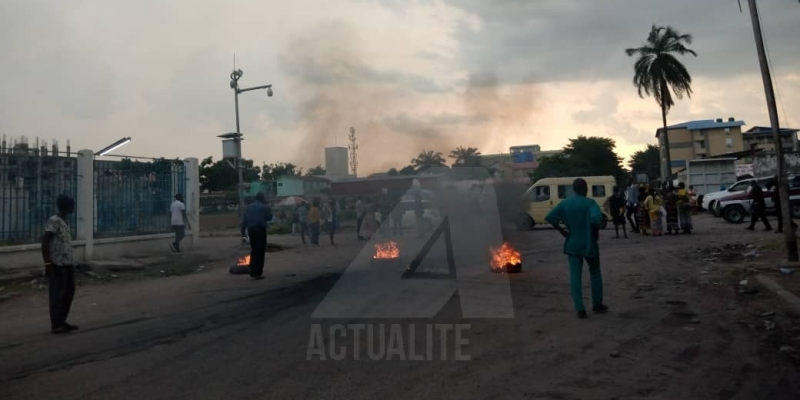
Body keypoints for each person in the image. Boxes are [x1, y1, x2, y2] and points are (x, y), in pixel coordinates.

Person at [545, 178, 608, 319]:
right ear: (586, 189)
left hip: (572, 243)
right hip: (589, 244)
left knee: (575, 276)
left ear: (573, 189)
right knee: (595, 273)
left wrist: (562, 232)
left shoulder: (565, 203)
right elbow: (597, 219)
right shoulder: (590, 203)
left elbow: (550, 217)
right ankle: (597, 304)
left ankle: (580, 309)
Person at [42, 195, 78, 334]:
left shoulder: (64, 221)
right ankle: (56, 324)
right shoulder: (54, 221)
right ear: (67, 207)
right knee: (58, 294)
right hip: (57, 264)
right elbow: (45, 242)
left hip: (67, 263)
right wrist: (47, 263)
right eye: (72, 205)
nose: (73, 208)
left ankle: (62, 320)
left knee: (69, 291)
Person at [240, 192, 272, 280]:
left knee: (254, 250)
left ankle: (252, 268)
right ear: (263, 198)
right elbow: (269, 217)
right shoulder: (264, 206)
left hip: (251, 230)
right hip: (260, 230)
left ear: (255, 198)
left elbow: (243, 223)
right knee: (261, 251)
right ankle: (258, 273)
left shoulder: (248, 207)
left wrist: (243, 235)